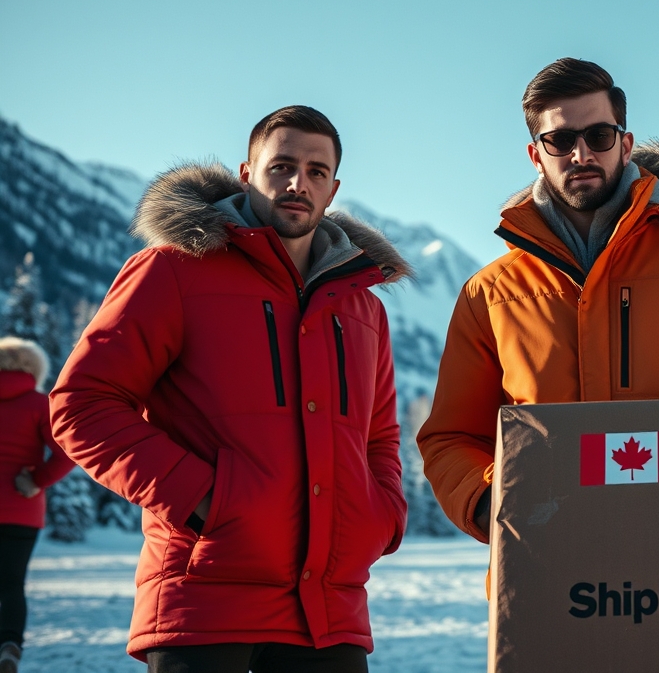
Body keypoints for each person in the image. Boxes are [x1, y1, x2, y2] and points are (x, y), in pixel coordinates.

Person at [49, 106, 410, 672]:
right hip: (204, 604)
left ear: (334, 187)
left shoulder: (363, 307)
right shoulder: (173, 269)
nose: (299, 183)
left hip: (329, 614)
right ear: (247, 173)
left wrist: (379, 515)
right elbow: (82, 405)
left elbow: (380, 437)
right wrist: (202, 500)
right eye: (282, 165)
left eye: (317, 171)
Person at [419, 58, 659, 540]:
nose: (581, 153)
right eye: (560, 140)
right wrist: (492, 503)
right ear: (536, 155)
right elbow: (453, 438)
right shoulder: (491, 294)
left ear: (625, 145)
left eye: (599, 136)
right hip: (545, 566)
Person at [0, 337, 75, 673]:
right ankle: (9, 645)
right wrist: (36, 481)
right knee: (12, 582)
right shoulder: (39, 404)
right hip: (21, 511)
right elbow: (66, 453)